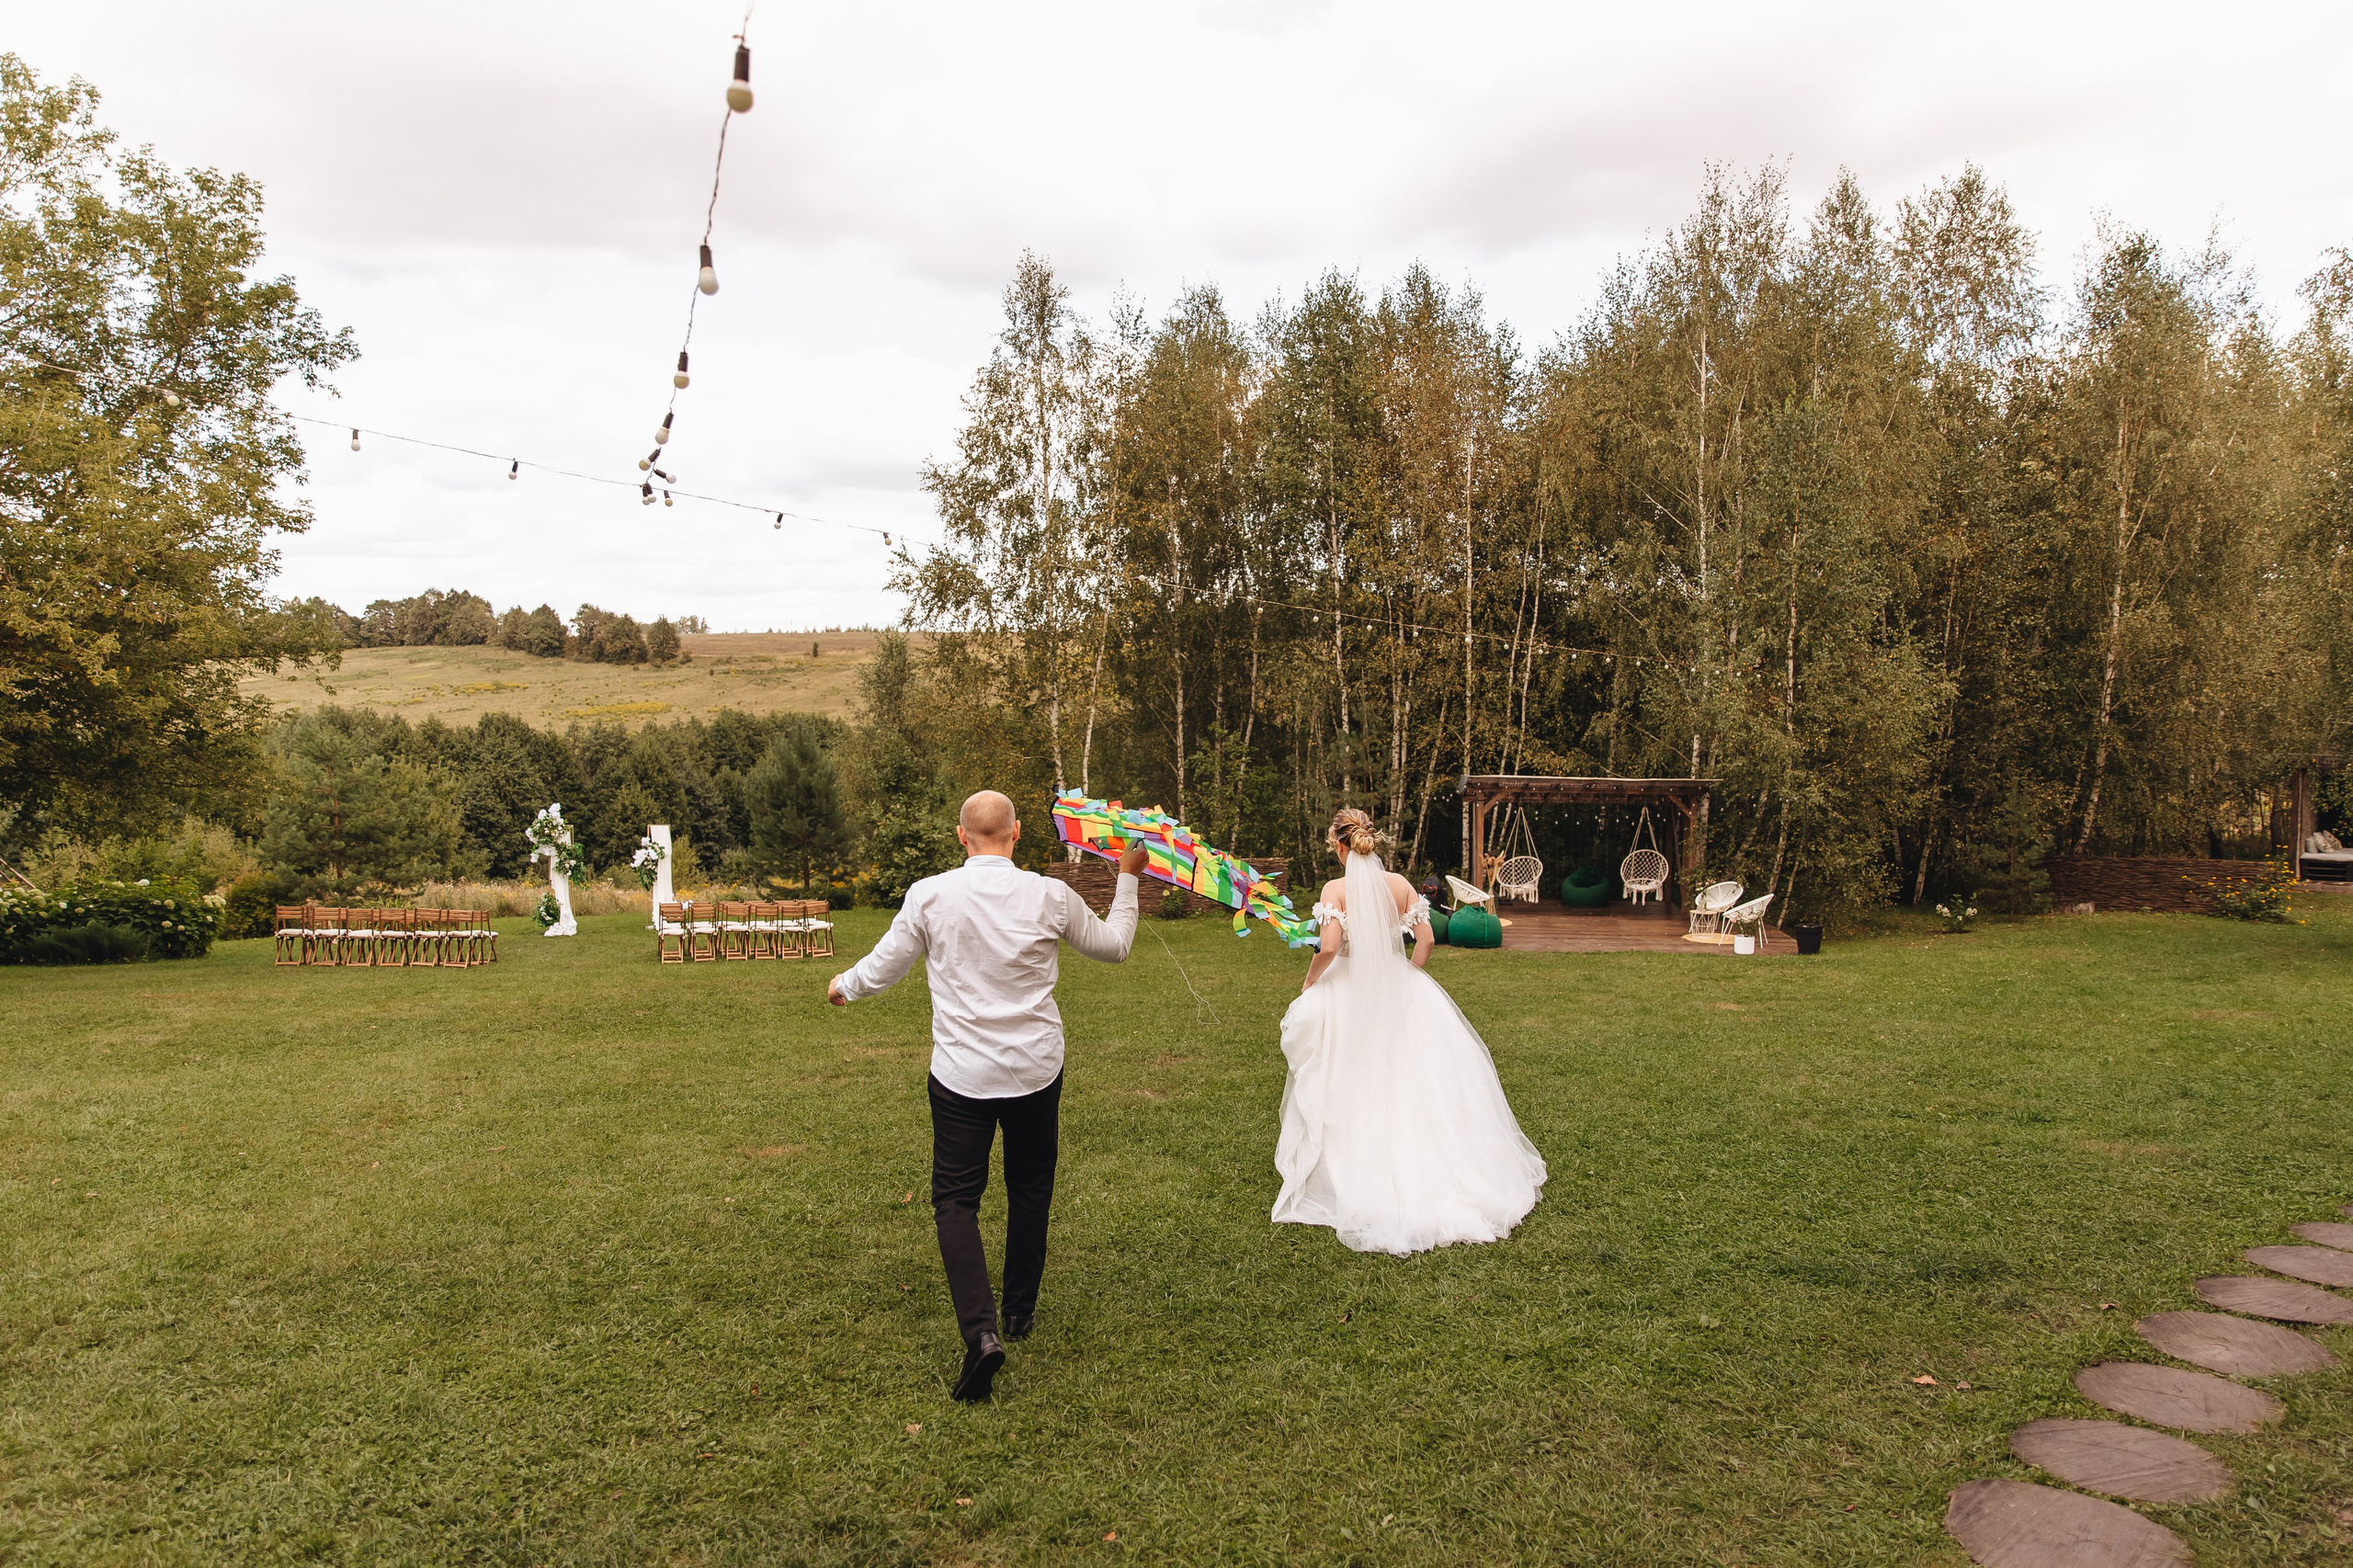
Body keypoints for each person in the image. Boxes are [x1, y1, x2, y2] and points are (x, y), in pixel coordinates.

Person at [828, 790, 1147, 1402]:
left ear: (961, 837)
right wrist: (1127, 881)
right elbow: (1115, 946)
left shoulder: (930, 893)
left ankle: (982, 1334)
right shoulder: (1048, 895)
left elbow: (889, 962)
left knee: (956, 1201)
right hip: (1033, 1067)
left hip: (963, 1075)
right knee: (1030, 1188)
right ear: (1018, 833)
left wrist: (847, 984)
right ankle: (1019, 1313)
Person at [1273, 806, 1546, 1255]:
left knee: (1345, 1072)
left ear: (1340, 846)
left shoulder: (1335, 889)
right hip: (1399, 987)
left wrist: (1310, 980)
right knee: (1417, 1073)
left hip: (1346, 989)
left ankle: (1352, 1164)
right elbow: (1426, 940)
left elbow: (1331, 945)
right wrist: (1408, 977)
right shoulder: (1399, 885)